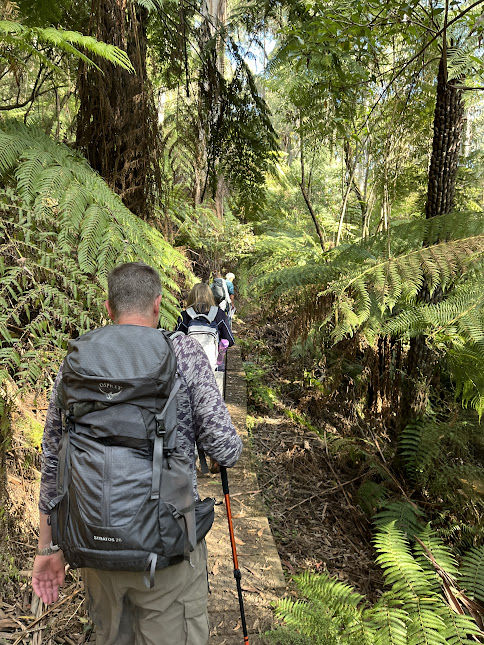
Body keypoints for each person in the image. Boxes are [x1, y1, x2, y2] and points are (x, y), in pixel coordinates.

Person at [31, 262, 243, 645]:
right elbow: (225, 449)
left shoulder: (77, 363)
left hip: (95, 545)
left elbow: (52, 459)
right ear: (158, 305)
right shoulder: (184, 353)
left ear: (108, 309)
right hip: (169, 550)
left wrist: (48, 547)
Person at [175, 282, 235, 350]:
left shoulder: (185, 315)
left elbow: (176, 340)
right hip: (211, 359)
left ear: (192, 296)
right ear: (210, 296)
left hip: (188, 359)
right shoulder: (219, 314)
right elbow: (230, 340)